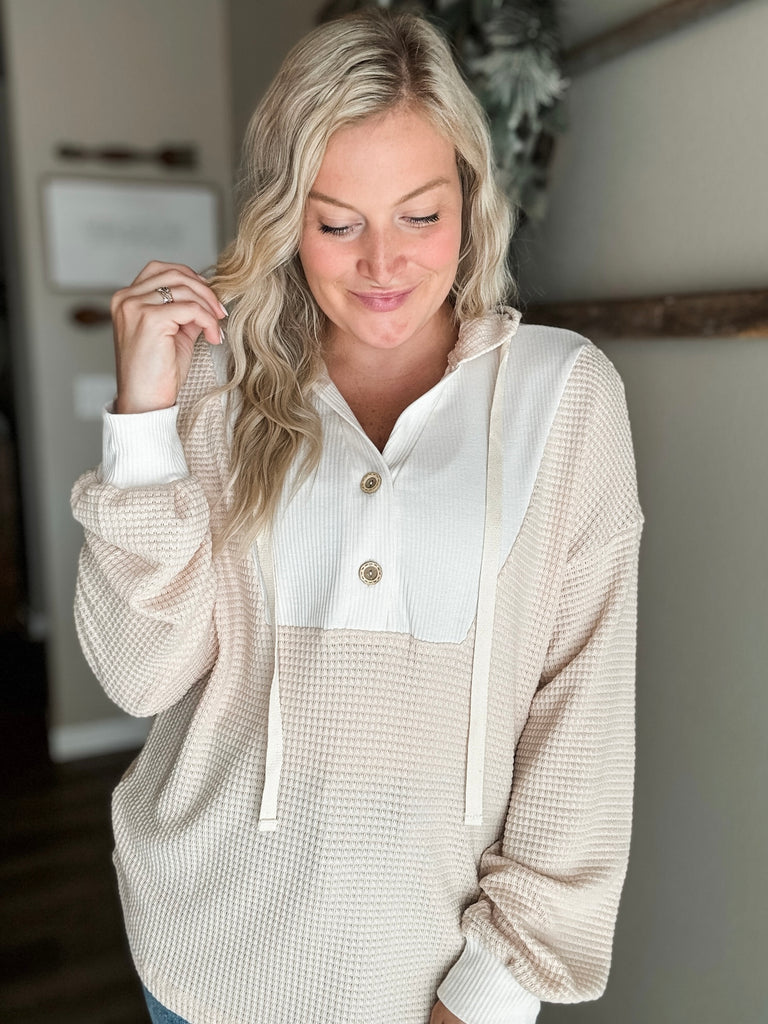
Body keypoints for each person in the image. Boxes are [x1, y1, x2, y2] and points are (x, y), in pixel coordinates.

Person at [71, 9, 642, 1024]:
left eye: (419, 216)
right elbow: (139, 673)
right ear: (287, 217)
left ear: (471, 199)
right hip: (201, 961)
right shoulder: (213, 382)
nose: (383, 264)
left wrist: (495, 990)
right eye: (338, 224)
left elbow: (582, 727)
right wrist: (144, 420)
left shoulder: (564, 396)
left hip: (431, 986)